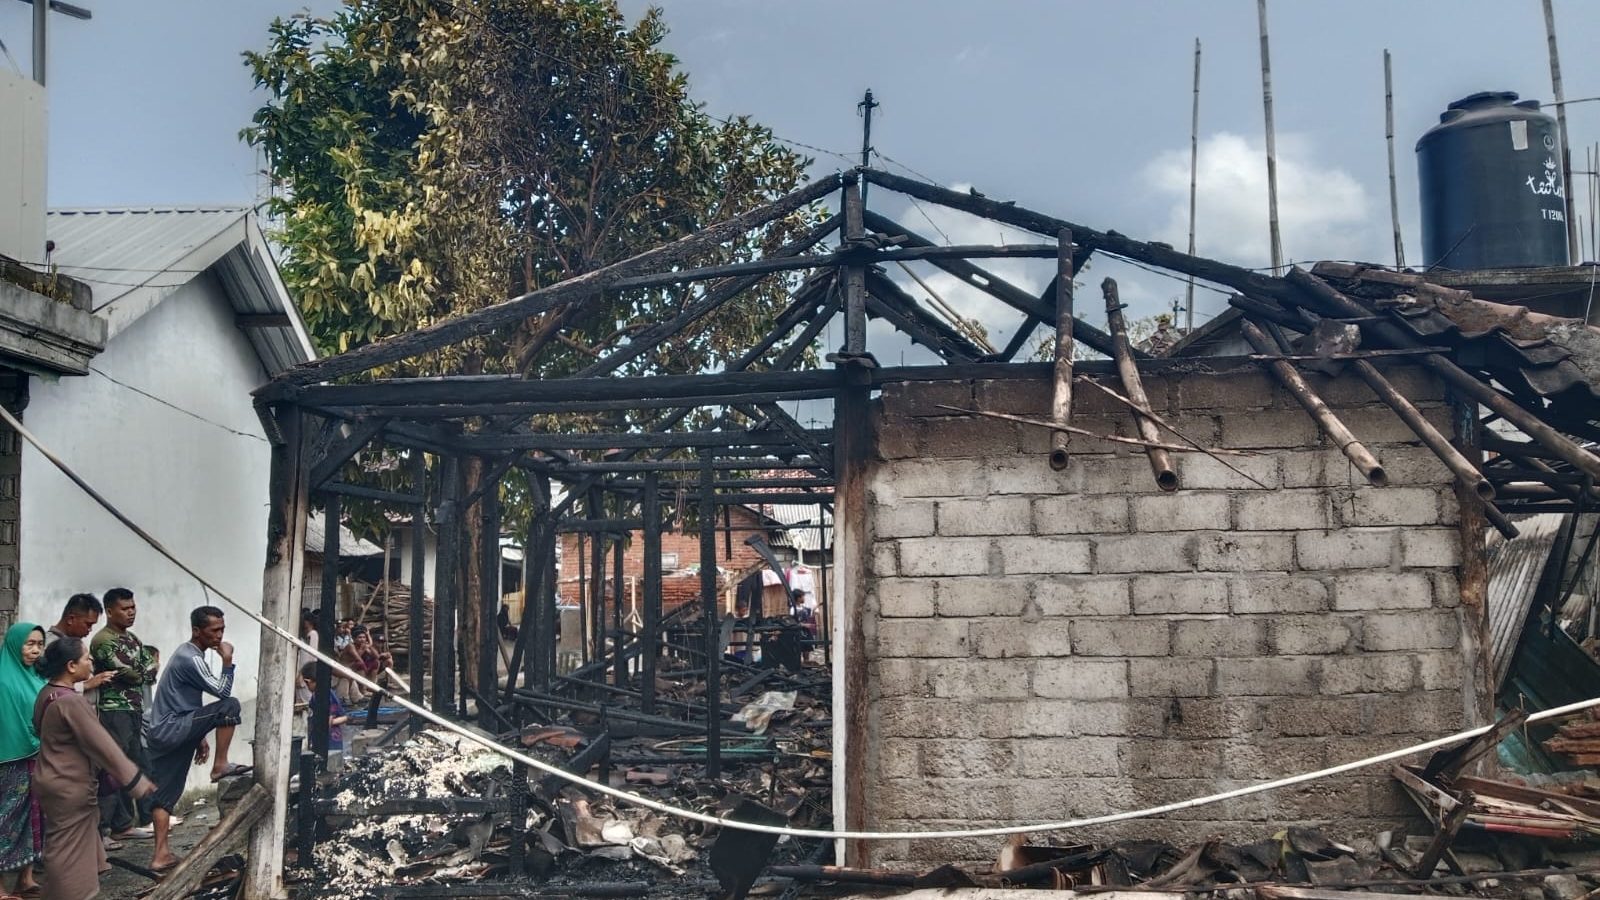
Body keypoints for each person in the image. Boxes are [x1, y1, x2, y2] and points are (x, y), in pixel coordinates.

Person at [32, 637, 154, 900]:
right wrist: (136, 781)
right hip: (69, 784)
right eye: (87, 658)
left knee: (64, 843)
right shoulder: (72, 703)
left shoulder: (47, 694)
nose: (91, 662)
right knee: (69, 854)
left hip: (50, 777)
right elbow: (103, 745)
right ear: (71, 666)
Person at [145, 607, 247, 871]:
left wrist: (198, 735)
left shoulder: (186, 655)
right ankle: (220, 764)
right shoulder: (190, 658)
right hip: (173, 727)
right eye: (214, 630)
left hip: (163, 730)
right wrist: (228, 661)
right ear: (196, 631)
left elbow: (187, 703)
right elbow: (223, 693)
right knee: (231, 706)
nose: (220, 635)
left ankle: (160, 855)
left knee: (164, 795)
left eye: (222, 629)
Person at [91, 588, 159, 841]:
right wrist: (141, 671)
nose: (131, 613)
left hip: (134, 708)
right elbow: (129, 673)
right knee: (115, 767)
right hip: (113, 710)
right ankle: (111, 826)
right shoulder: (103, 640)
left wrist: (141, 671)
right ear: (110, 611)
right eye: (125, 608)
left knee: (139, 763)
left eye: (133, 608)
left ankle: (141, 819)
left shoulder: (132, 639)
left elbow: (151, 668)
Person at [0, 624, 46, 900]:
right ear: (16, 644)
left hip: (36, 756)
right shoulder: (3, 679)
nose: (35, 650)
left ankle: (25, 878)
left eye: (39, 644)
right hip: (9, 761)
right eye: (29, 644)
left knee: (33, 817)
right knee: (6, 820)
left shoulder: (35, 677)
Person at [300, 663, 349, 771]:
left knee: (329, 767)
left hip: (329, 738)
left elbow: (334, 717)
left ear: (309, 681)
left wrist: (324, 724)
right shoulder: (318, 695)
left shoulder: (326, 695)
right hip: (322, 736)